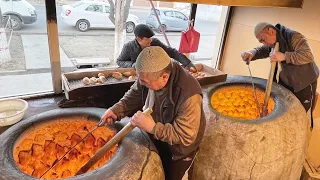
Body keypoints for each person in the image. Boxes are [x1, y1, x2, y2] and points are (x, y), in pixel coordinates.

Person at [101, 46, 206, 180]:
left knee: (172, 175)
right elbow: (135, 94)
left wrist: (152, 127)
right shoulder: (150, 75)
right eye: (141, 80)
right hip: (158, 133)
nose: (142, 83)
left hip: (179, 150)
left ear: (164, 77)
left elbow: (185, 136)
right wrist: (116, 110)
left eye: (145, 82)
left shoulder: (189, 96)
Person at [241, 22, 319, 129]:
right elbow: (266, 50)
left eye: (263, 40)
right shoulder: (273, 40)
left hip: (304, 82)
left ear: (271, 31)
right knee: (286, 107)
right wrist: (253, 52)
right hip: (287, 80)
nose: (263, 43)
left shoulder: (294, 36)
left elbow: (308, 55)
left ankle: (304, 131)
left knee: (303, 111)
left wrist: (283, 56)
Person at [117, 24, 197, 72]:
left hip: (154, 72)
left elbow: (172, 52)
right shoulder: (128, 47)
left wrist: (188, 63)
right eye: (147, 39)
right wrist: (132, 64)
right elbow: (119, 61)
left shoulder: (154, 42)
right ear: (138, 39)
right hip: (136, 74)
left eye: (151, 38)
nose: (150, 41)